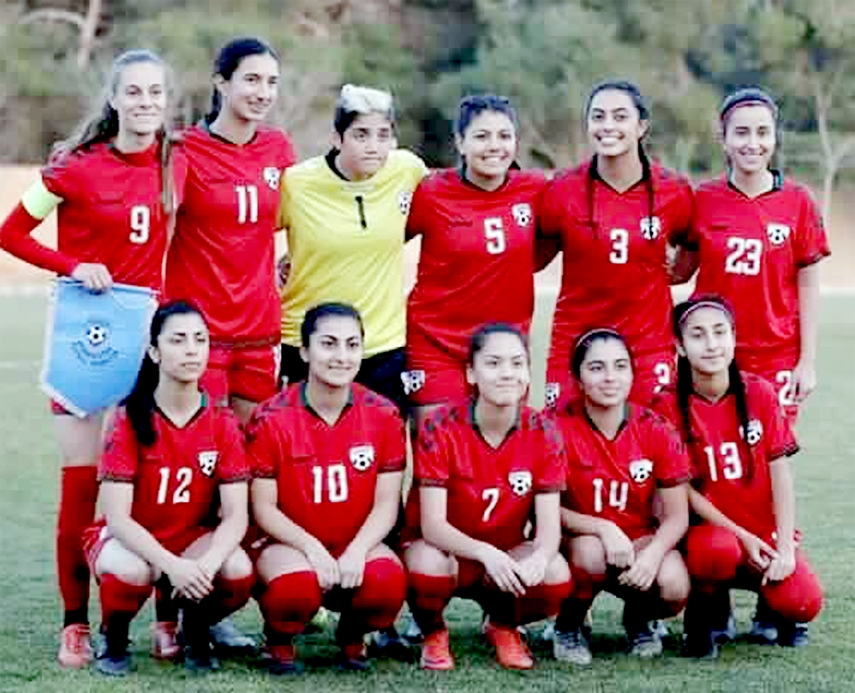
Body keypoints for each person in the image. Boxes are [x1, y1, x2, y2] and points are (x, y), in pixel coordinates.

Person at [0, 49, 183, 668]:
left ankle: (164, 619)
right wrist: (73, 265)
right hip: (87, 338)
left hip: (150, 342)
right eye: (133, 92)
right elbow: (10, 233)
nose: (145, 103)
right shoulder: (75, 168)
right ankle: (76, 624)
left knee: (152, 492)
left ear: (166, 98)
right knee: (81, 487)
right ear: (114, 98)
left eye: (155, 92)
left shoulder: (175, 162)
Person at [83, 301, 253, 676]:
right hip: (129, 540)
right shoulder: (128, 417)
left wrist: (205, 564)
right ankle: (114, 635)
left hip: (191, 537)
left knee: (236, 569)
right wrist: (172, 566)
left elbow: (237, 515)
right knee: (131, 571)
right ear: (155, 352)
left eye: (200, 340)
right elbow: (118, 518)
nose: (192, 349)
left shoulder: (222, 421)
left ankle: (195, 628)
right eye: (178, 340)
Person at [653, 296, 823, 658]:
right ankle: (706, 613)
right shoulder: (667, 403)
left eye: (720, 332)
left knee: (804, 602)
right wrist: (742, 536)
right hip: (712, 534)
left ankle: (773, 606)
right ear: (679, 346)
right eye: (698, 335)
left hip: (763, 529)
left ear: (733, 337)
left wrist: (785, 548)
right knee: (714, 552)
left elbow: (781, 474)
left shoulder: (758, 391)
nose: (711, 344)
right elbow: (680, 488)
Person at [246, 303, 408, 673]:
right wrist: (312, 549)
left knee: (386, 581)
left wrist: (358, 550)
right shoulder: (271, 416)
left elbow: (387, 504)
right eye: (329, 344)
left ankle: (352, 636)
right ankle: (279, 639)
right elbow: (264, 508)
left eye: (352, 345)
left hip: (354, 539)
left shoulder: (383, 414)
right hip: (288, 545)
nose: (341, 356)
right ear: (304, 351)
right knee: (296, 586)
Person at [403, 323, 571, 671]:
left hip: (504, 558)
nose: (506, 373)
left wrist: (539, 557)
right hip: (447, 551)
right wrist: (484, 553)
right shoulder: (439, 426)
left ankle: (502, 624)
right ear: (471, 372)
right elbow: (432, 526)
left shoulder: (544, 431)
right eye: (493, 363)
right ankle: (433, 631)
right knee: (426, 565)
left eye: (516, 363)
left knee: (554, 573)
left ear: (528, 371)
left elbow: (549, 528)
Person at [165, 37, 297, 426]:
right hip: (199, 331)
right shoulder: (184, 148)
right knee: (202, 452)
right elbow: (158, 226)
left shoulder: (279, 148)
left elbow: (297, 217)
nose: (263, 93)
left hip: (260, 330)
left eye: (271, 82)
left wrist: (292, 259)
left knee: (253, 458)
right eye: (252, 80)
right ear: (221, 82)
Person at [540, 80, 695, 410]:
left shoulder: (673, 191)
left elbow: (694, 242)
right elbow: (535, 258)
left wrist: (678, 273)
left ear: (641, 126)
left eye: (619, 116)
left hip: (648, 344)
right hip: (576, 341)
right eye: (598, 117)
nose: (607, 126)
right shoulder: (562, 190)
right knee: (563, 449)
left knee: (654, 449)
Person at [682, 88, 830, 426]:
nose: (753, 143)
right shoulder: (702, 198)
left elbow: (808, 285)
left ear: (774, 137)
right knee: (715, 459)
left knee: (770, 461)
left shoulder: (798, 201)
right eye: (741, 132)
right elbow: (681, 270)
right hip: (713, 352)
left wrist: (806, 362)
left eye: (763, 132)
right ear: (724, 139)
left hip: (776, 355)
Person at [277, 84, 428, 411]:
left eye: (383, 135)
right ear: (337, 137)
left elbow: (448, 206)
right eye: (361, 135)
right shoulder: (297, 183)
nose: (374, 147)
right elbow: (248, 233)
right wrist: (270, 268)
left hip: (383, 345)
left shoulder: (407, 170)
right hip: (307, 344)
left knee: (380, 455)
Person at [404, 94, 550, 423]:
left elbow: (562, 234)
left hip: (505, 346)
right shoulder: (431, 192)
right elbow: (382, 242)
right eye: (482, 136)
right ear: (460, 142)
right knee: (436, 447)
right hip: (435, 343)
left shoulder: (534, 190)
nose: (494, 146)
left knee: (500, 451)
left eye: (504, 136)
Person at [552, 329, 690, 666]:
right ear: (578, 378)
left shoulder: (655, 428)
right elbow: (545, 510)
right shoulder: (554, 427)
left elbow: (677, 516)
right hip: (575, 543)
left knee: (674, 585)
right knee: (589, 553)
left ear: (632, 374)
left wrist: (652, 555)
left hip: (638, 541)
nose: (610, 377)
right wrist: (601, 527)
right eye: (596, 368)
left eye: (620, 366)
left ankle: (638, 619)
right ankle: (568, 626)